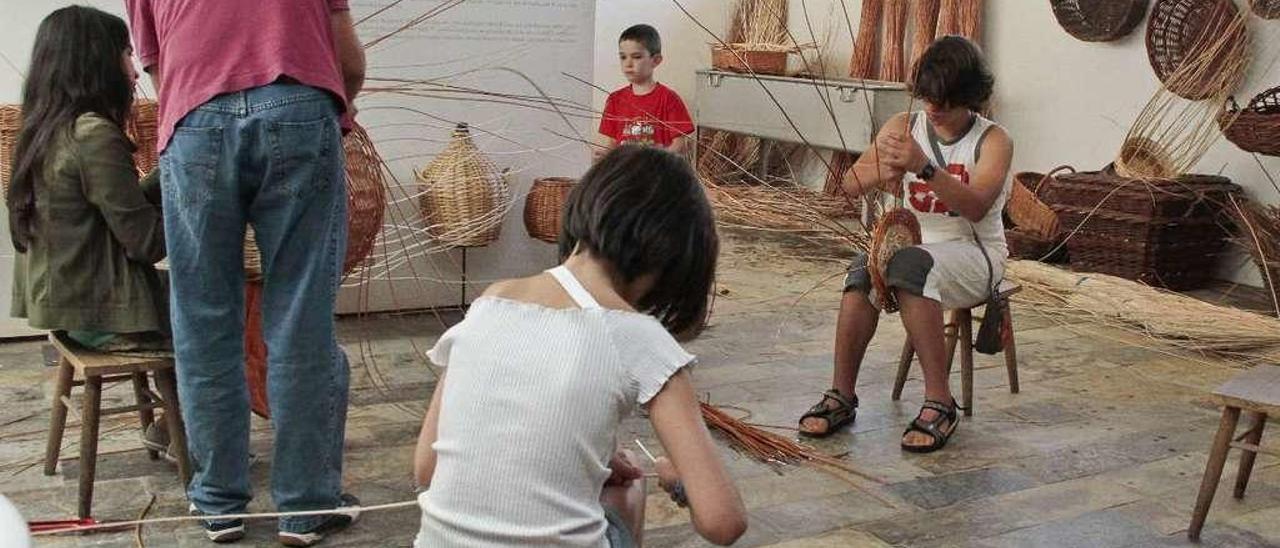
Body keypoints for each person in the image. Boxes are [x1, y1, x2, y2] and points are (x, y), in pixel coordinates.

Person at [412, 146, 746, 547]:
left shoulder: (490, 302)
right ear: (672, 258)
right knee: (627, 490)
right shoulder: (637, 334)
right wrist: (677, 481)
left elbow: (427, 468)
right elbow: (723, 522)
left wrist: (598, 461)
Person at [124, 0, 366, 544]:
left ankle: (217, 503)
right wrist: (328, 110)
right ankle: (307, 504)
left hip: (194, 118)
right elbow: (347, 58)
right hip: (299, 103)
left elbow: (163, 71)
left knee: (203, 320)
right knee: (300, 316)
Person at [796, 36, 1014, 453]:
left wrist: (923, 167)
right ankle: (842, 395)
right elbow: (850, 183)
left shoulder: (993, 140)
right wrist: (883, 168)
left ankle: (940, 402)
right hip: (914, 247)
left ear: (968, 98)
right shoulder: (903, 126)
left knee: (910, 266)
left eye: (944, 102)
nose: (932, 109)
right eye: (927, 98)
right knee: (864, 267)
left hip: (976, 254)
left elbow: (975, 207)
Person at [596, 24, 694, 160]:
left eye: (636, 57)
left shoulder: (669, 99)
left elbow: (681, 144)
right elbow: (612, 143)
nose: (628, 63)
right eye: (623, 57)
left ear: (656, 60)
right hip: (624, 174)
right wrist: (605, 157)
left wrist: (658, 162)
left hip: (657, 176)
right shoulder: (615, 99)